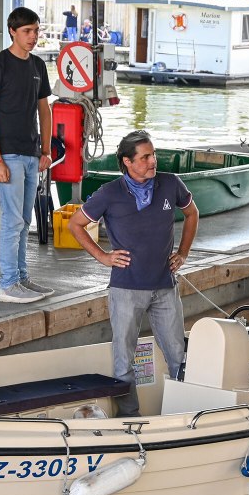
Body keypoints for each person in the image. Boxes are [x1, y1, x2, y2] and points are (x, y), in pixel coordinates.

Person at [66, 131, 199, 417]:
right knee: (124, 360)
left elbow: (192, 213)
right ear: (127, 161)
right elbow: (75, 224)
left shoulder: (170, 183)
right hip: (125, 289)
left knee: (178, 354)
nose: (154, 161)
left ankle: (185, 413)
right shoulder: (109, 193)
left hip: (165, 285)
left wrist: (183, 253)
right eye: (146, 157)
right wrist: (103, 256)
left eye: (153, 154)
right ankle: (130, 418)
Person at [0, 6, 55, 304]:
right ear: (13, 31)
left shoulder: (38, 66)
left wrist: (46, 150)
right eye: (27, 31)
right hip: (8, 155)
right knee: (12, 221)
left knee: (25, 221)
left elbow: (44, 110)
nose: (33, 36)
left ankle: (22, 278)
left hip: (31, 153)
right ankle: (7, 284)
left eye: (36, 31)